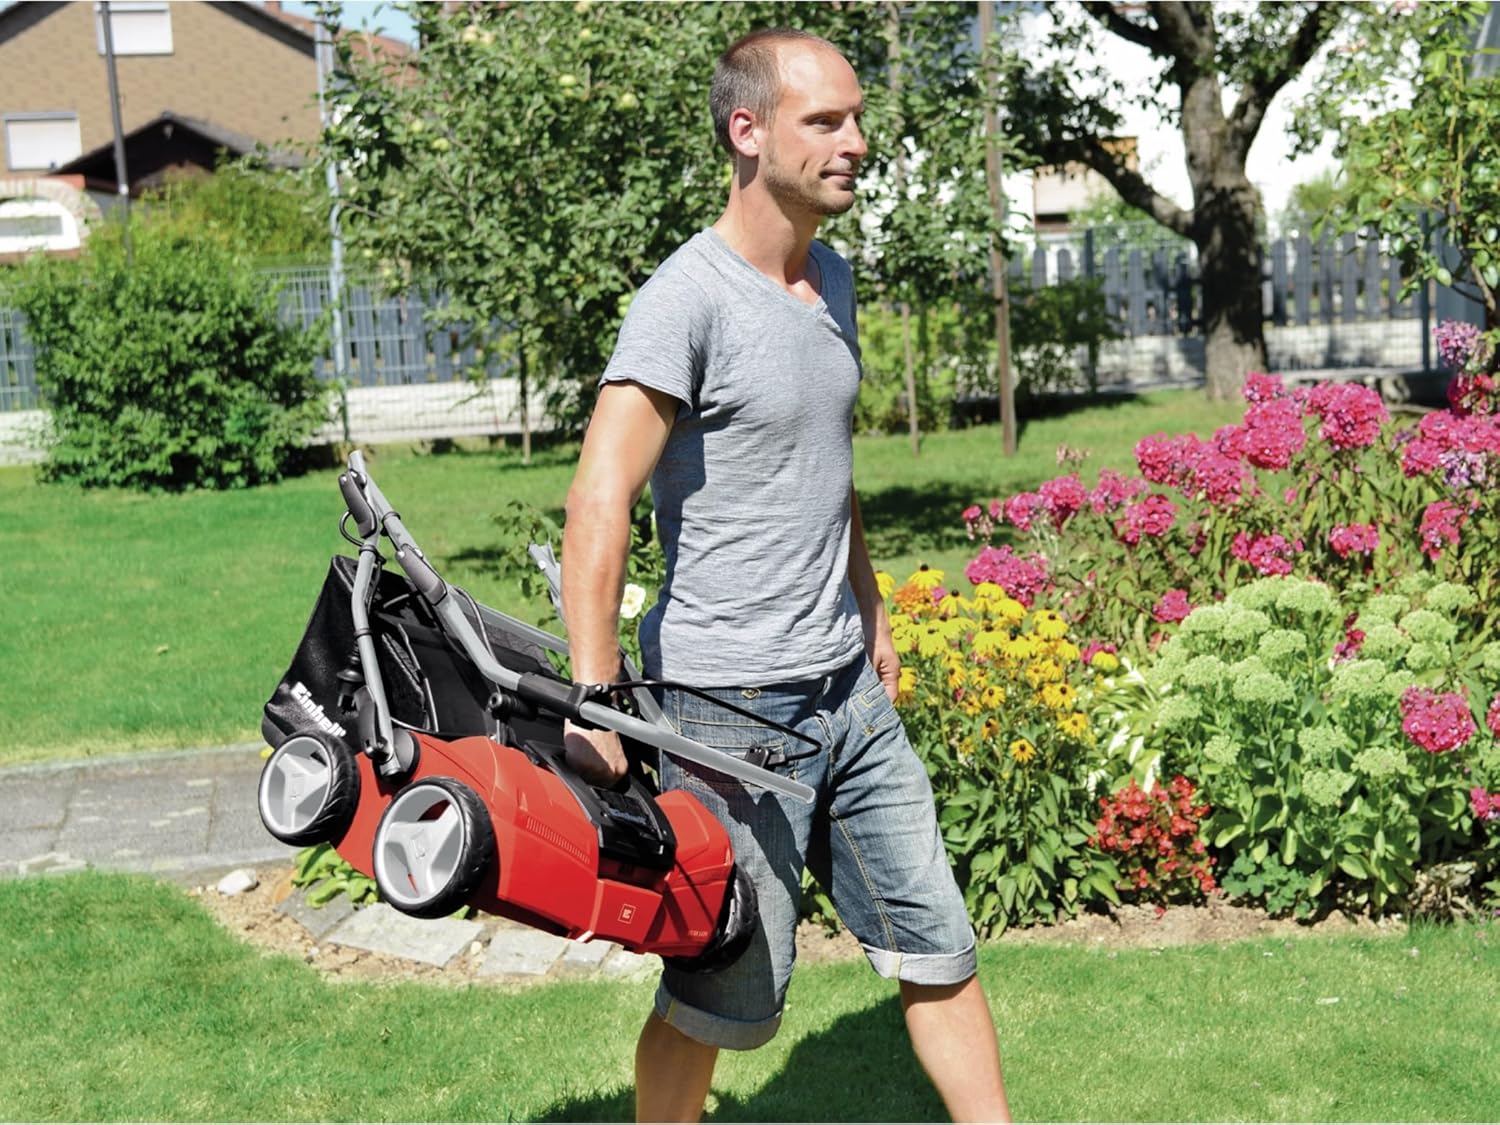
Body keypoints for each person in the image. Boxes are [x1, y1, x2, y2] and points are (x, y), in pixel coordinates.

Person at [559, 27, 1012, 1124]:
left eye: (857, 119)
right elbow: (599, 497)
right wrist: (594, 693)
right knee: (722, 992)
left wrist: (870, 606)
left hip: (844, 687)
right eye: (826, 121)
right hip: (730, 709)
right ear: (747, 130)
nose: (856, 142)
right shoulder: (688, 298)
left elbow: (824, 466)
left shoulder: (830, 281)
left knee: (938, 940)